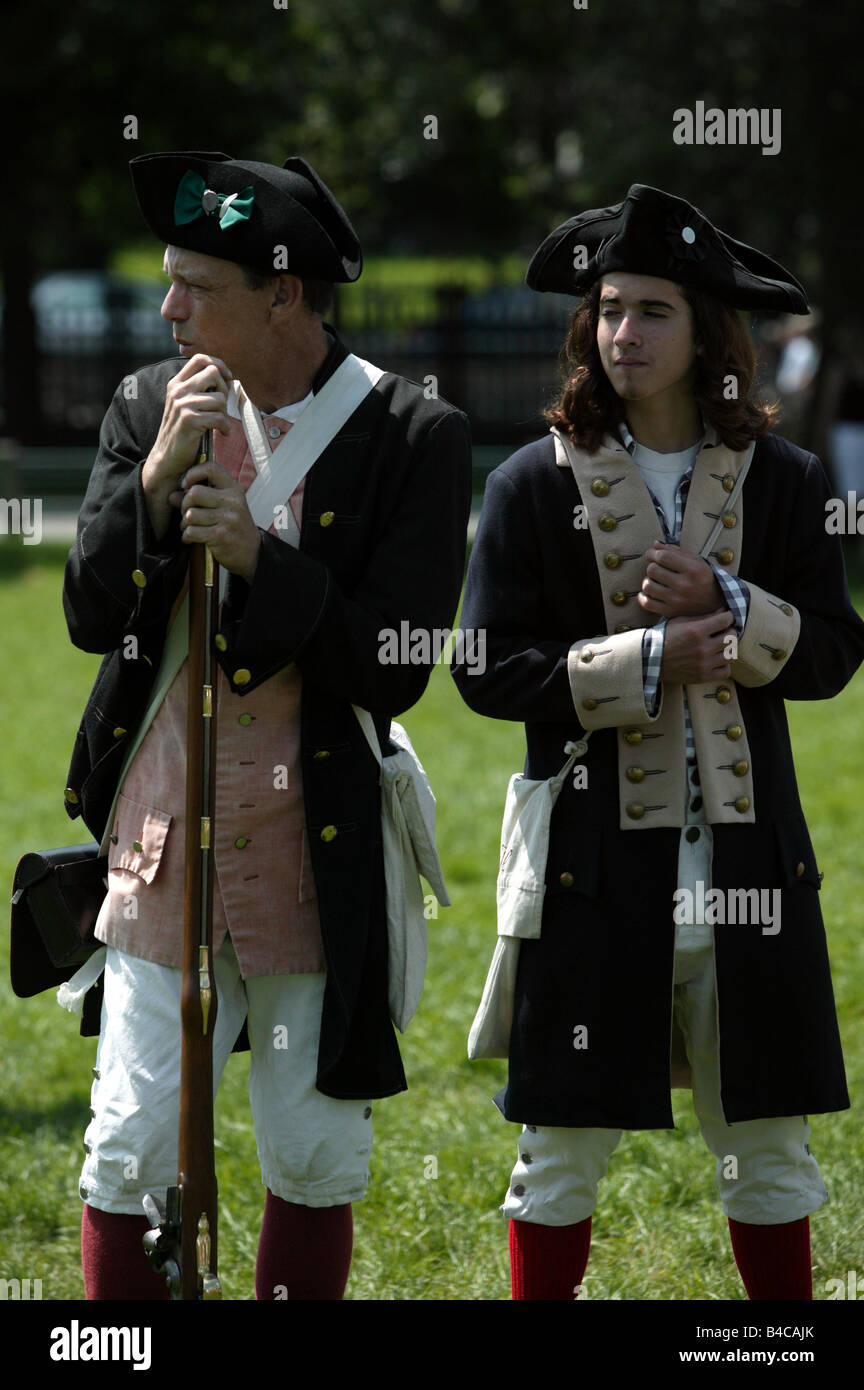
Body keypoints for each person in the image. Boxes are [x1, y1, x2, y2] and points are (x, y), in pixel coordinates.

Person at [62, 150, 472, 1300]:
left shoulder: (410, 432)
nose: (168, 308)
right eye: (169, 280)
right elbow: (91, 616)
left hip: (317, 842)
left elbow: (394, 669)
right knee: (128, 1144)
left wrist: (257, 557)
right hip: (161, 828)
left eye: (198, 285)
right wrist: (150, 491)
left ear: (284, 293)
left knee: (312, 1149)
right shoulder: (150, 404)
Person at [451, 184, 864, 1301]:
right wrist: (641, 663)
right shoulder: (531, 484)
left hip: (749, 876)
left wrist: (734, 607)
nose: (621, 333)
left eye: (651, 312)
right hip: (592, 878)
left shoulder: (788, 482)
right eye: (608, 310)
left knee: (771, 1160)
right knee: (556, 1163)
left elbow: (833, 650)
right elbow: (484, 669)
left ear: (709, 336)